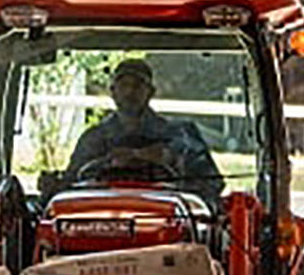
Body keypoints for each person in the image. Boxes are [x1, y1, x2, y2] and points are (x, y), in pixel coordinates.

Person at [67, 57, 223, 202]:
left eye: (137, 85)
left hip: (168, 218)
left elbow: (212, 186)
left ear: (151, 92)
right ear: (113, 92)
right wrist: (108, 164)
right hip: (102, 218)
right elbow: (72, 182)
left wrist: (172, 160)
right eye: (124, 85)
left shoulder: (181, 135)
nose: (129, 92)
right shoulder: (93, 138)